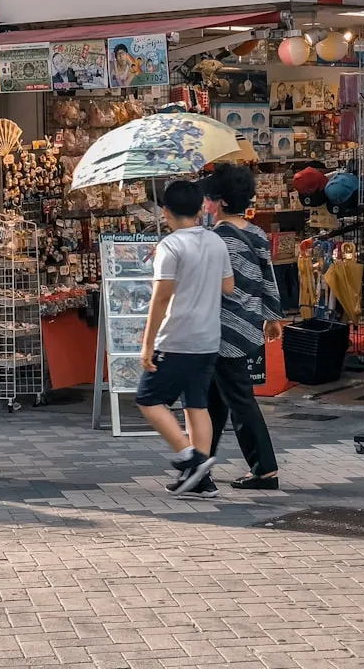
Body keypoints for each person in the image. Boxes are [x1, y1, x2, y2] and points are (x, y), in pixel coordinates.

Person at [137, 179, 234, 497]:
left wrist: (148, 343)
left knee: (148, 399)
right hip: (208, 336)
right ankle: (201, 477)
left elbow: (160, 298)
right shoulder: (216, 242)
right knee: (196, 403)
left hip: (177, 336)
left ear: (165, 211)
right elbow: (228, 286)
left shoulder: (171, 246)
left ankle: (187, 454)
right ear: (200, 208)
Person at [201, 164, 282, 492]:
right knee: (215, 401)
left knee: (237, 400)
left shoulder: (215, 239)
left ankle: (265, 469)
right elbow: (268, 277)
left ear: (219, 202)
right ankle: (200, 466)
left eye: (208, 200)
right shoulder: (257, 234)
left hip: (220, 330)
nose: (205, 205)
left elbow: (209, 286)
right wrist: (273, 317)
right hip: (247, 325)